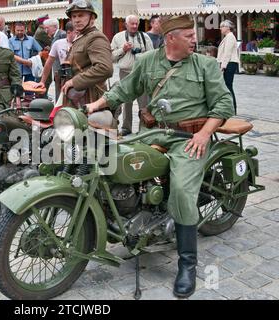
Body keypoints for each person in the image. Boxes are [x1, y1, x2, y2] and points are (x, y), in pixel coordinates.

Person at [86, 15, 234, 299]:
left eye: (194, 34)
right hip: (153, 134)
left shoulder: (204, 64)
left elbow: (224, 103)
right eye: (189, 35)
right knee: (113, 161)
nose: (195, 39)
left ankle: (187, 264)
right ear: (171, 38)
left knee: (180, 190)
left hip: (187, 139)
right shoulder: (147, 62)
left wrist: (203, 134)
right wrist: (94, 105)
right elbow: (123, 90)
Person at [60, 0, 113, 108]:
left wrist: (74, 82)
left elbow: (105, 68)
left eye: (81, 15)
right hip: (78, 98)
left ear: (92, 18)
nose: (77, 20)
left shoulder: (96, 37)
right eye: (74, 16)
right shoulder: (82, 37)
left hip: (91, 100)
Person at [111, 14, 154, 135]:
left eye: (136, 24)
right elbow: (111, 57)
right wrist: (123, 50)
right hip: (125, 73)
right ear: (126, 24)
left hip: (142, 74)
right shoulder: (118, 37)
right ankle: (126, 127)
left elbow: (152, 56)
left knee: (143, 104)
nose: (135, 26)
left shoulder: (145, 37)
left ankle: (143, 128)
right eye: (132, 24)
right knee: (126, 102)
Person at [35, 22, 76, 95]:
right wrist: (42, 82)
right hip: (63, 78)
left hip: (79, 79)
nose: (78, 35)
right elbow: (48, 63)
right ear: (68, 32)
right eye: (76, 32)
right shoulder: (58, 43)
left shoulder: (83, 43)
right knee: (60, 102)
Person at [217, 20, 239, 114]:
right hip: (229, 63)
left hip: (229, 63)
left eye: (222, 26)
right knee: (227, 86)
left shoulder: (230, 37)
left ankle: (232, 108)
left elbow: (227, 53)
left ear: (228, 28)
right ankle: (231, 108)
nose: (220, 28)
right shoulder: (228, 37)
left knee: (228, 86)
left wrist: (223, 66)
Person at [43, 18, 67, 101]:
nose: (45, 31)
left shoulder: (62, 35)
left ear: (55, 27)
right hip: (57, 70)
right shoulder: (55, 36)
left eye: (47, 28)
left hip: (62, 70)